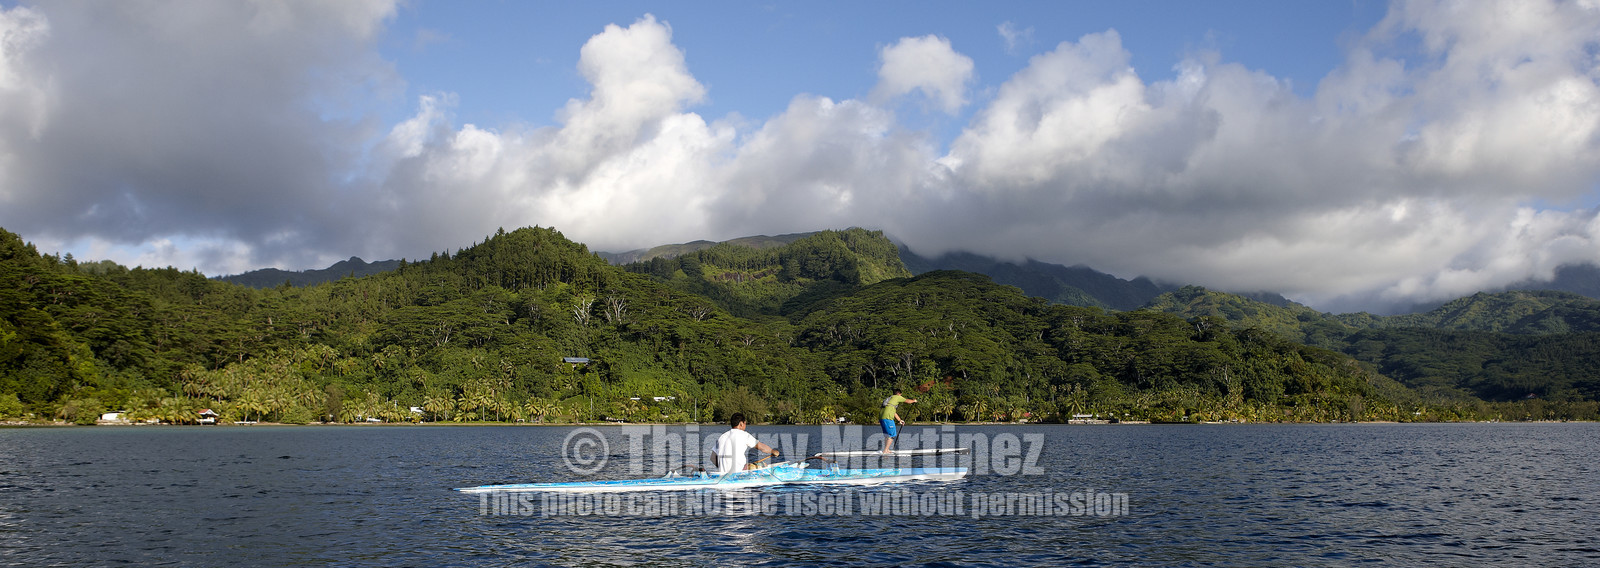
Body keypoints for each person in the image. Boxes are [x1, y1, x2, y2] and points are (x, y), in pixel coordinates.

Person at [712, 412, 778, 474]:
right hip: (738, 474)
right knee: (764, 465)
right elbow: (762, 448)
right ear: (741, 424)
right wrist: (772, 451)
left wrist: (723, 469)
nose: (745, 426)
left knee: (749, 465)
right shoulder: (744, 435)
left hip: (723, 475)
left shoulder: (722, 436)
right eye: (745, 423)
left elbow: (712, 458)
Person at [880, 389, 917, 454]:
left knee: (887, 435)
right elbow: (907, 401)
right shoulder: (897, 397)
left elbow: (894, 412)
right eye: (901, 395)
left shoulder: (890, 399)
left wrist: (899, 420)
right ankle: (885, 450)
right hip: (888, 417)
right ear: (899, 394)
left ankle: (886, 449)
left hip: (882, 417)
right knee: (892, 435)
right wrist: (913, 401)